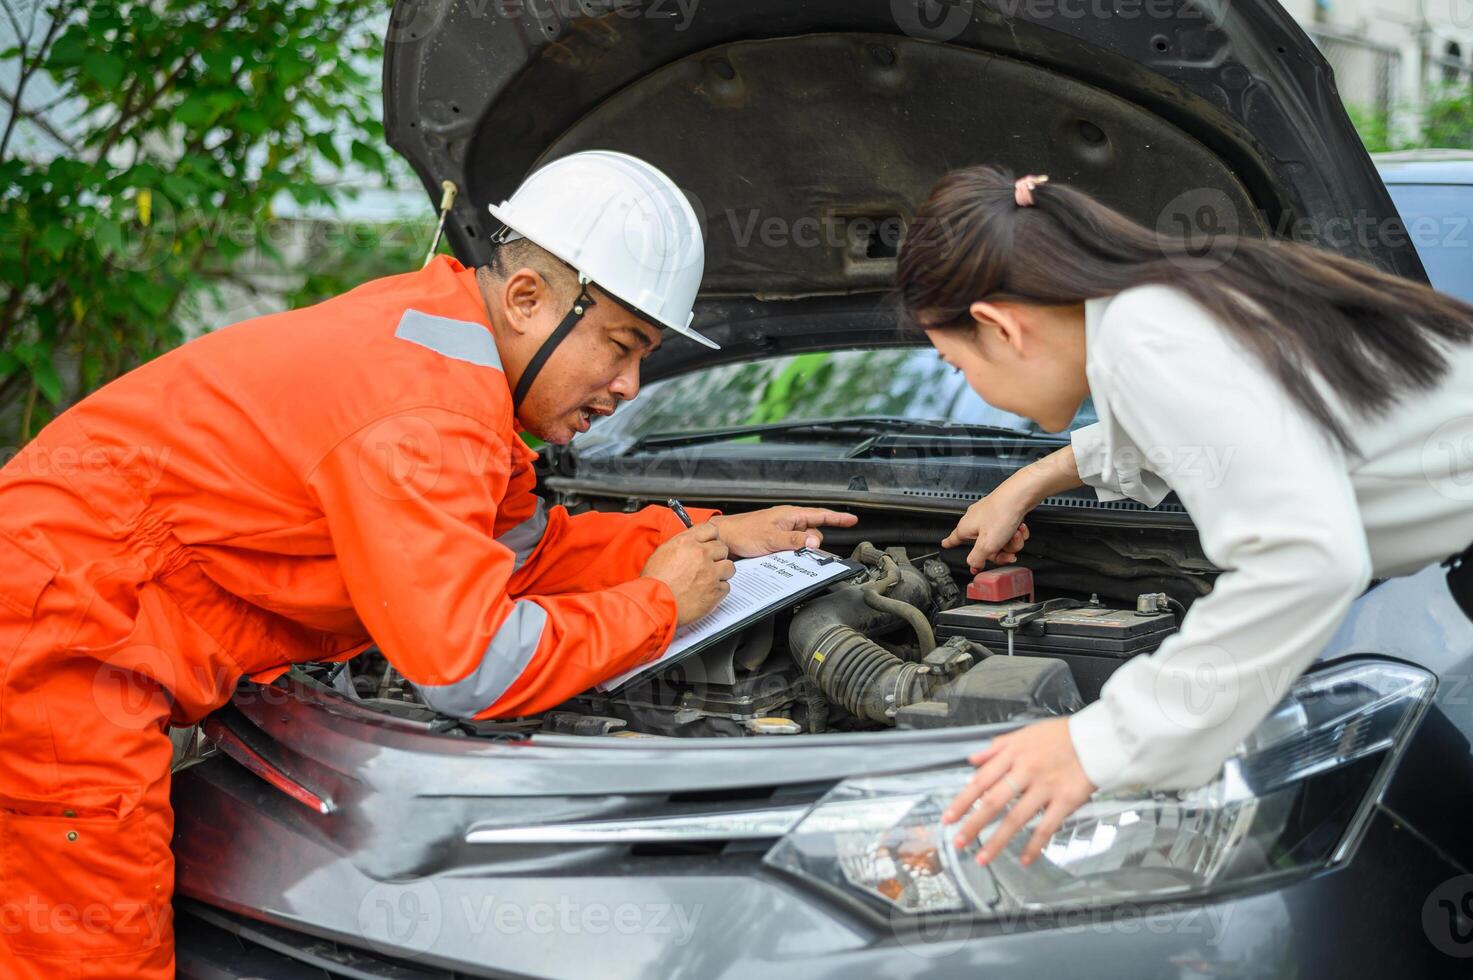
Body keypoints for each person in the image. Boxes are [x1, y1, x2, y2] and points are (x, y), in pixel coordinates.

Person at [0, 150, 854, 978]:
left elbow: (524, 559)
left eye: (644, 359)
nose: (630, 384)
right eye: (621, 346)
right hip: (59, 637)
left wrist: (700, 535)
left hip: (98, 608)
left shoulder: (453, 358)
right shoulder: (426, 410)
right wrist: (658, 607)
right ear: (526, 297)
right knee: (90, 951)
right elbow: (471, 666)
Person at [894, 165, 1473, 872]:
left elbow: (1304, 559)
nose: (970, 386)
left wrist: (1097, 743)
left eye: (956, 367)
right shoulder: (1166, 306)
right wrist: (1034, 478)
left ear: (998, 326)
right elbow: (1230, 431)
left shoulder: (1149, 339)